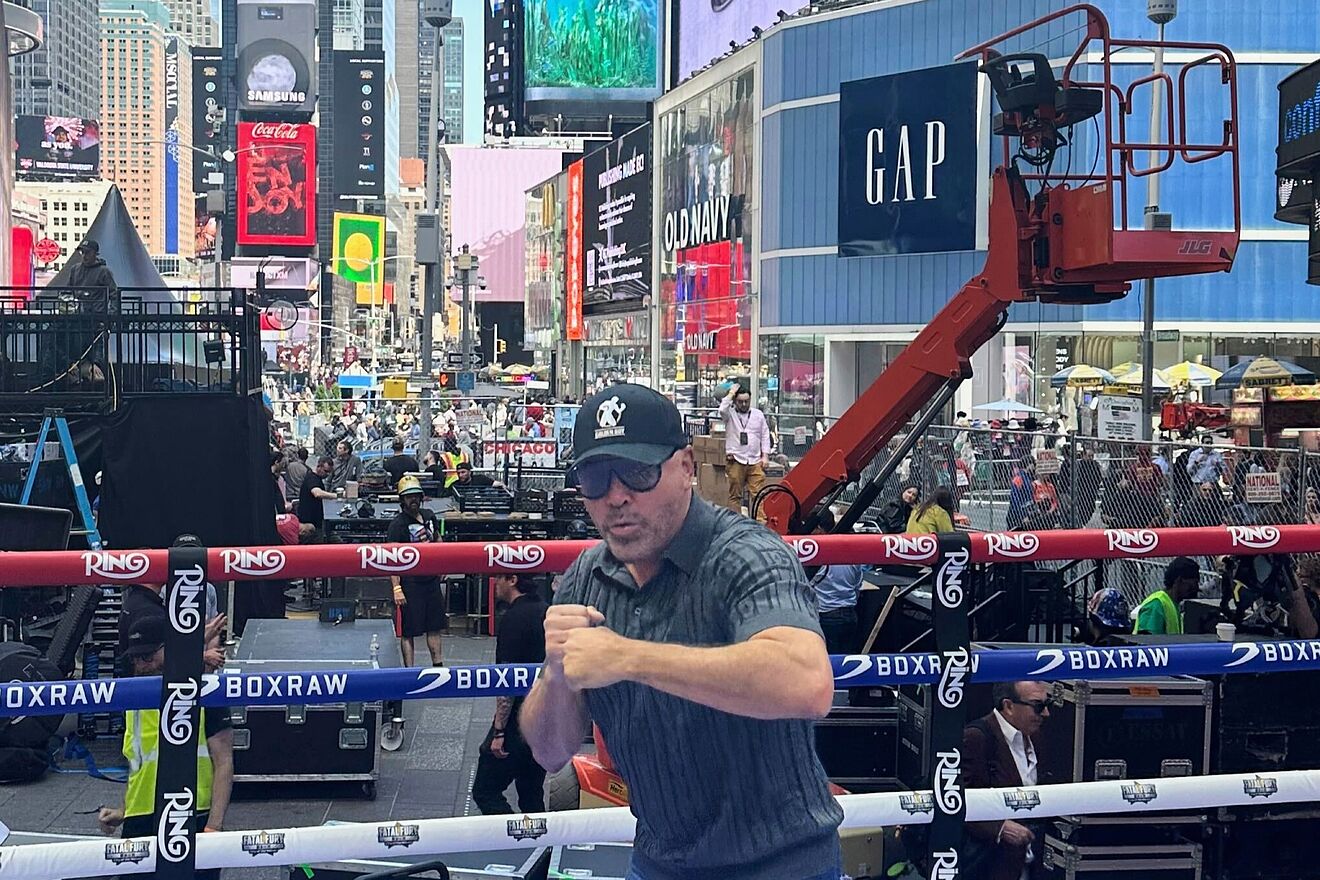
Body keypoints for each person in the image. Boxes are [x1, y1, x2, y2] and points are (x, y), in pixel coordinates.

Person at [520, 384, 842, 880]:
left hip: (782, 864)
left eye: (638, 472)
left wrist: (628, 658)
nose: (617, 496)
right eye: (594, 478)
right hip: (657, 861)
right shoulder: (586, 578)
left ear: (687, 467)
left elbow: (806, 683)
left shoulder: (746, 555)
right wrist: (557, 676)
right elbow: (549, 751)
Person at [98, 616, 233, 880]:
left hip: (192, 814)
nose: (140, 665)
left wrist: (214, 827)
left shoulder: (205, 692)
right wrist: (124, 811)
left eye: (147, 656)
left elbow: (224, 762)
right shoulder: (133, 697)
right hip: (141, 820)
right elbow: (137, 764)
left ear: (169, 649)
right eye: (135, 658)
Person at [471, 573, 549, 814]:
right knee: (531, 793)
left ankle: (517, 845)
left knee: (485, 791)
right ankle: (540, 849)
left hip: (518, 719)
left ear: (512, 580)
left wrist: (499, 731)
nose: (494, 583)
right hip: (546, 717)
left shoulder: (513, 619)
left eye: (499, 578)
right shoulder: (547, 611)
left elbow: (507, 681)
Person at [963, 681, 1053, 880]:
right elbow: (956, 802)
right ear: (1009, 706)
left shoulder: (1037, 737)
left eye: (1048, 704)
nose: (1046, 713)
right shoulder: (976, 738)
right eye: (1038, 706)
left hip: (1028, 863)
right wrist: (1000, 828)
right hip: (988, 866)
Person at [386, 476, 446, 666]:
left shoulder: (429, 516)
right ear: (402, 499)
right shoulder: (398, 525)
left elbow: (437, 539)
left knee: (434, 627)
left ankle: (438, 667)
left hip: (431, 581)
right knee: (409, 630)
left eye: (415, 496)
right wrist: (396, 587)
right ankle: (409, 672)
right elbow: (391, 557)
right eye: (408, 497)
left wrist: (444, 563)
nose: (413, 500)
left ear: (421, 497)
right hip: (411, 583)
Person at [809, 510, 863, 655]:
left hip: (827, 617)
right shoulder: (851, 552)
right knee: (847, 663)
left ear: (819, 528)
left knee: (830, 664)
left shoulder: (817, 554)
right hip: (850, 615)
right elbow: (858, 585)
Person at [718, 384, 772, 517]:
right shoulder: (729, 414)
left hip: (754, 460)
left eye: (746, 401)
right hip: (736, 458)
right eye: (740, 401)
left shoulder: (758, 415)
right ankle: (736, 525)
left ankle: (761, 524)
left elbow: (765, 435)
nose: (743, 404)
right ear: (735, 401)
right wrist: (731, 393)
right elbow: (722, 409)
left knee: (759, 494)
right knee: (735, 495)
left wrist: (765, 456)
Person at [1134, 557, 1200, 635]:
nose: (1196, 588)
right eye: (1193, 584)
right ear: (1179, 580)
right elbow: (1147, 642)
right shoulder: (1156, 604)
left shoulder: (1174, 605)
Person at [298, 456, 338, 533]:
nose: (328, 474)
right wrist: (337, 495)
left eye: (329, 472)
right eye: (326, 471)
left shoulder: (317, 479)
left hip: (316, 521)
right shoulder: (312, 478)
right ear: (318, 467)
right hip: (309, 522)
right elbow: (317, 493)